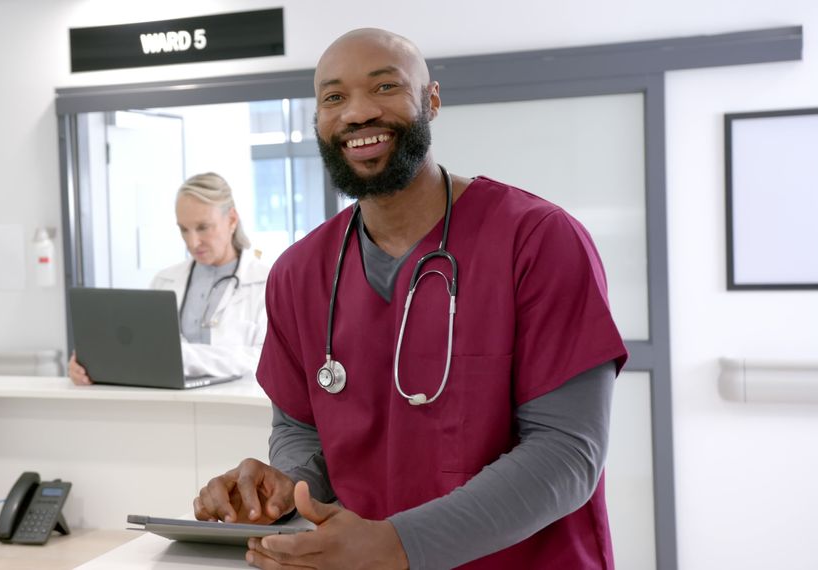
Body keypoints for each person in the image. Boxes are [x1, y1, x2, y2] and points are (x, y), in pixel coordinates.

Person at [192, 28, 628, 570]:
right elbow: (301, 428)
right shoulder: (298, 273)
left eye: (384, 87)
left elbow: (567, 454)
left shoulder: (537, 241)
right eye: (333, 97)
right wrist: (287, 488)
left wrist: (399, 544)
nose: (356, 113)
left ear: (432, 101)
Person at [69, 172, 270, 384]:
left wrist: (184, 357)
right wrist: (91, 364)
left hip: (236, 407)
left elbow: (263, 359)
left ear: (231, 220)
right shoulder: (164, 281)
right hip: (172, 409)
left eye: (203, 227)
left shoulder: (266, 283)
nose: (192, 242)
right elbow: (140, 349)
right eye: (184, 229)